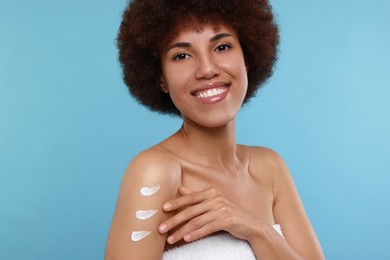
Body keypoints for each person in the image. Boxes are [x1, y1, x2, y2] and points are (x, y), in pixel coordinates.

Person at [105, 0, 325, 259]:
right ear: (160, 78)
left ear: (247, 59)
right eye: (182, 55)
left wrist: (258, 230)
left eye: (222, 47)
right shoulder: (156, 171)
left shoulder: (269, 167)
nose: (207, 69)